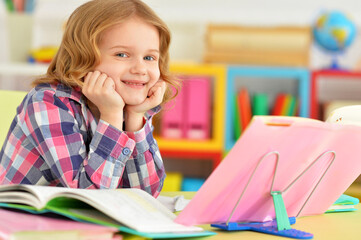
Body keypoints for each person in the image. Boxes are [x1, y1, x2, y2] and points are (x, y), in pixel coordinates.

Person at [0, 0, 177, 197]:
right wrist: (111, 116)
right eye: (122, 54)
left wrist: (135, 119)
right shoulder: (48, 102)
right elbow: (88, 195)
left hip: (79, 223)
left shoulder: (128, 105)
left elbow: (145, 194)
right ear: (83, 57)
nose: (140, 69)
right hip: (18, 221)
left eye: (149, 58)